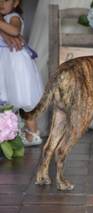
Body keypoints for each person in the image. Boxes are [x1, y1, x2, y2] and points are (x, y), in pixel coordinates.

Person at [0, 0, 44, 146]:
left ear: (16, 2)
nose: (1, 3)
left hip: (15, 64)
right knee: (7, 99)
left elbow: (14, 31)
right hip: (4, 63)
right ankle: (9, 134)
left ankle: (33, 133)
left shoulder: (13, 17)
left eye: (5, 0)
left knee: (22, 96)